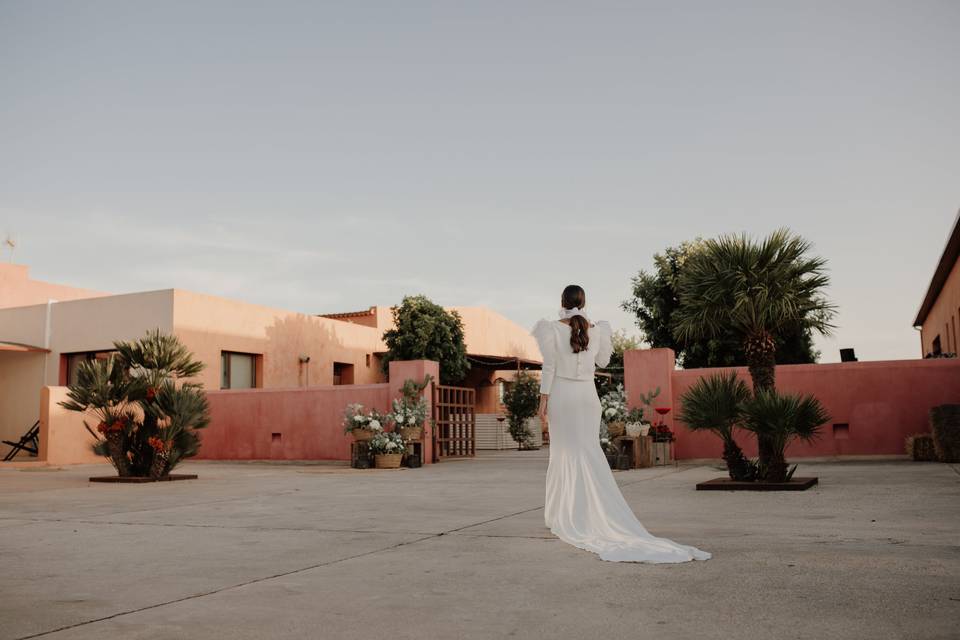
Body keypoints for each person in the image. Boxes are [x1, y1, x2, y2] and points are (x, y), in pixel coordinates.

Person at [531, 284, 712, 563]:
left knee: (563, 454)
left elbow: (550, 367)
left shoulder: (550, 329)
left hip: (563, 396)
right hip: (588, 397)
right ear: (584, 301)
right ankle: (593, 514)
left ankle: (561, 515)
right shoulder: (598, 329)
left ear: (563, 302)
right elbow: (603, 359)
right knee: (589, 453)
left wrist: (543, 399)